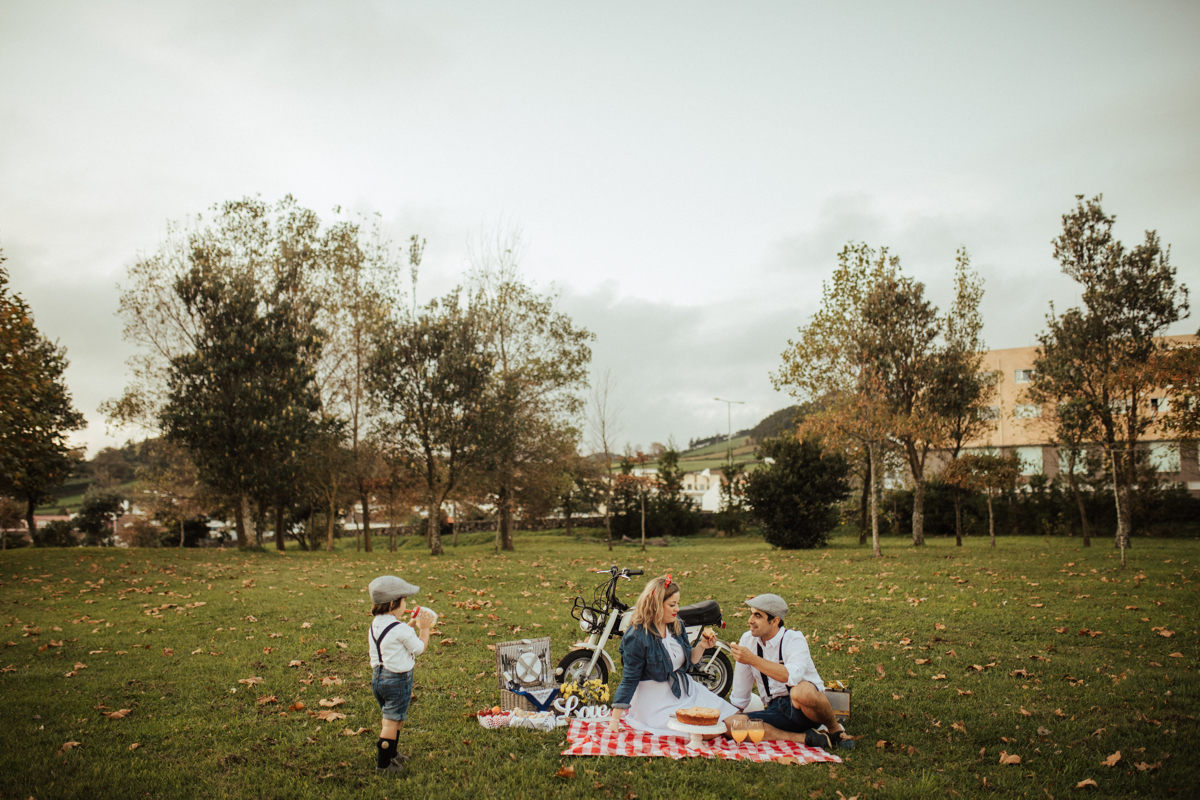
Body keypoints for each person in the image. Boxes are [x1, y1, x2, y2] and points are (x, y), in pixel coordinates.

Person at [609, 574, 738, 738]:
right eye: (672, 604)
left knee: (733, 721)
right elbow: (629, 678)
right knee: (706, 731)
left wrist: (702, 647)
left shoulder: (677, 626)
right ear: (655, 605)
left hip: (686, 690)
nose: (677, 609)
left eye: (677, 603)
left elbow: (689, 662)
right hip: (656, 700)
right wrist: (614, 720)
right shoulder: (637, 636)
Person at [727, 593, 853, 750]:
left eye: (757, 615)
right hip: (775, 710)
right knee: (729, 724)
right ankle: (806, 738)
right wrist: (734, 714)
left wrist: (752, 659)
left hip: (806, 709)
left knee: (801, 691)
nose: (750, 620)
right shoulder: (748, 640)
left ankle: (836, 730)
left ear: (775, 621)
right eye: (751, 613)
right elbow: (741, 688)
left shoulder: (794, 639)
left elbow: (791, 676)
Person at [367, 575, 431, 774]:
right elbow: (419, 648)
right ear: (394, 603)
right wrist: (425, 629)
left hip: (379, 679)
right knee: (391, 722)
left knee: (395, 719)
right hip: (397, 681)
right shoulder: (400, 629)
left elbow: (396, 635)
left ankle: (393, 754)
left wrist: (411, 623)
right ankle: (384, 764)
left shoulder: (377, 624)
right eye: (404, 601)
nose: (406, 605)